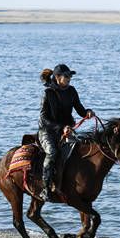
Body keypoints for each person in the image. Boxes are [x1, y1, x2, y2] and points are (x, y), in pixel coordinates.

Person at [38, 64, 94, 201]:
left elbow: (80, 109)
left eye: (70, 76)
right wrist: (61, 128)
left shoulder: (72, 91)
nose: (69, 79)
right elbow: (43, 118)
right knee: (52, 153)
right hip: (48, 131)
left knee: (80, 150)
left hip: (67, 130)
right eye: (67, 76)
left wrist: (87, 112)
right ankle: (45, 189)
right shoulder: (48, 93)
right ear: (57, 77)